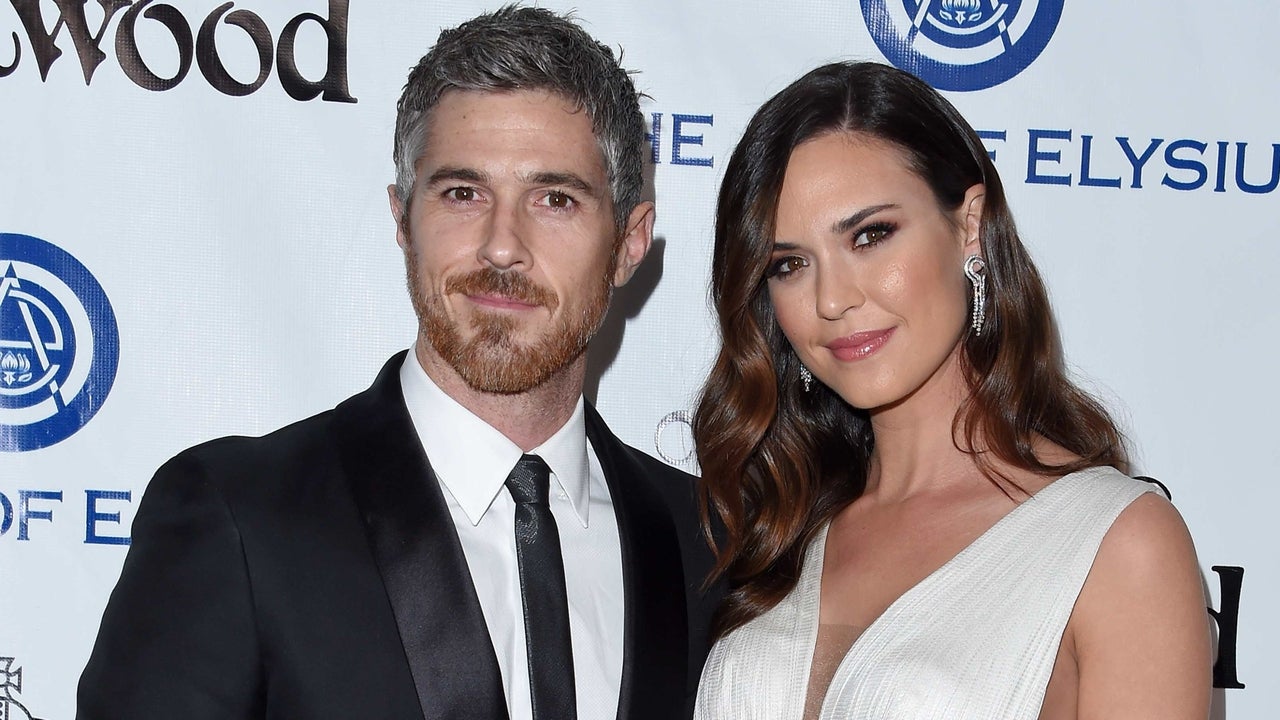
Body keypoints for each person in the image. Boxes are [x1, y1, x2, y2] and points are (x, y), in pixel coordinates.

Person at [77, 6, 718, 719]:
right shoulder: (240, 518)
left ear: (630, 241)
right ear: (402, 219)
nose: (502, 246)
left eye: (555, 199)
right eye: (463, 193)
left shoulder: (705, 541)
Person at [691, 62, 1212, 719]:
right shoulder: (780, 520)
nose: (832, 299)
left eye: (870, 236)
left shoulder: (1119, 546)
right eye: (789, 265)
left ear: (970, 225)